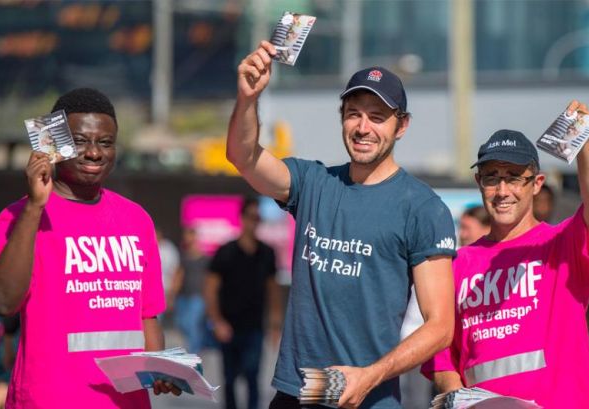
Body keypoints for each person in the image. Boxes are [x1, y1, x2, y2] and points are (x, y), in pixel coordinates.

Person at [227, 42, 457, 409]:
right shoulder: (312, 182)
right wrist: (248, 98)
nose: (363, 127)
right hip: (295, 394)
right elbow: (243, 156)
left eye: (377, 117)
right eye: (354, 114)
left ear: (402, 126)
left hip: (370, 398)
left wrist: (371, 375)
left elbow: (441, 327)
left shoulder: (423, 208)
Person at [0, 88, 179, 408]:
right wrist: (34, 208)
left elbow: (147, 316)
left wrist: (161, 368)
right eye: (81, 141)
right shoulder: (18, 216)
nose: (95, 153)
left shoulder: (137, 220)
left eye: (106, 142)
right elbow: (2, 302)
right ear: (55, 145)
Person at [423, 102, 589, 409]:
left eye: (513, 177)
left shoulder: (560, 246)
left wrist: (584, 138)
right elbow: (443, 358)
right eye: (491, 177)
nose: (502, 190)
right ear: (479, 183)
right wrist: (457, 400)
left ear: (536, 184)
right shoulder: (458, 264)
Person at [205, 197, 282, 409]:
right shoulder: (226, 251)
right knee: (229, 380)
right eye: (250, 217)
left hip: (255, 328)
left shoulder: (267, 253)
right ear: (242, 218)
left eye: (258, 218)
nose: (254, 222)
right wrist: (217, 321)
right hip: (228, 327)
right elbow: (210, 289)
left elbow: (273, 290)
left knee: (252, 378)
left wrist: (275, 324)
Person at [173, 227, 208, 354]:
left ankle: (194, 352)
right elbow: (178, 275)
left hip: (197, 296)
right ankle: (197, 344)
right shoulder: (183, 257)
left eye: (188, 235)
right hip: (183, 296)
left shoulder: (204, 259)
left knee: (193, 324)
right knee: (181, 323)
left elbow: (209, 279)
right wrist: (173, 294)